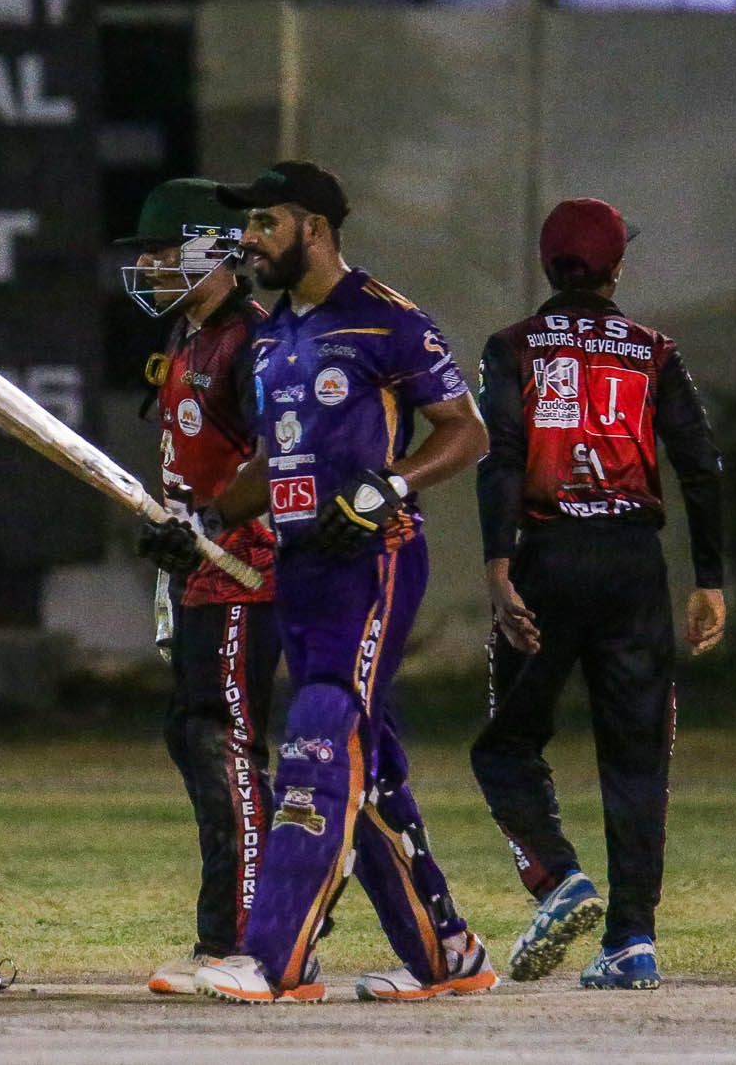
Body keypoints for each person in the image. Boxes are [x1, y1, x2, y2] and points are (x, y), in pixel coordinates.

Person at [191, 161, 496, 1003]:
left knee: (320, 732)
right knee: (371, 767)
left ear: (316, 229)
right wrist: (202, 522)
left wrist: (388, 485)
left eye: (266, 222)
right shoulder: (270, 337)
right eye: (248, 224)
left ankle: (274, 957)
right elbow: (271, 463)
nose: (249, 240)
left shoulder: (386, 317)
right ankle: (448, 952)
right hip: (299, 569)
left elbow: (467, 431)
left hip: (374, 560)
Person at [470, 197, 726, 991]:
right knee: (637, 756)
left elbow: (500, 455)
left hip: (546, 559)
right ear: (615, 268)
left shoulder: (513, 346)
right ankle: (632, 941)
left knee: (507, 745)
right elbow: (701, 464)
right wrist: (710, 578)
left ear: (548, 266)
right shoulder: (652, 349)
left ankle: (558, 876)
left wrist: (498, 565)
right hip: (631, 565)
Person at [117, 178, 282, 995]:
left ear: (214, 250)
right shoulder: (188, 334)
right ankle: (236, 930)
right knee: (195, 736)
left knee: (227, 745)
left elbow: (280, 457)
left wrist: (209, 525)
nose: (149, 266)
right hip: (199, 576)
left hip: (247, 572)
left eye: (162, 250)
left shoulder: (254, 339)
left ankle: (247, 938)